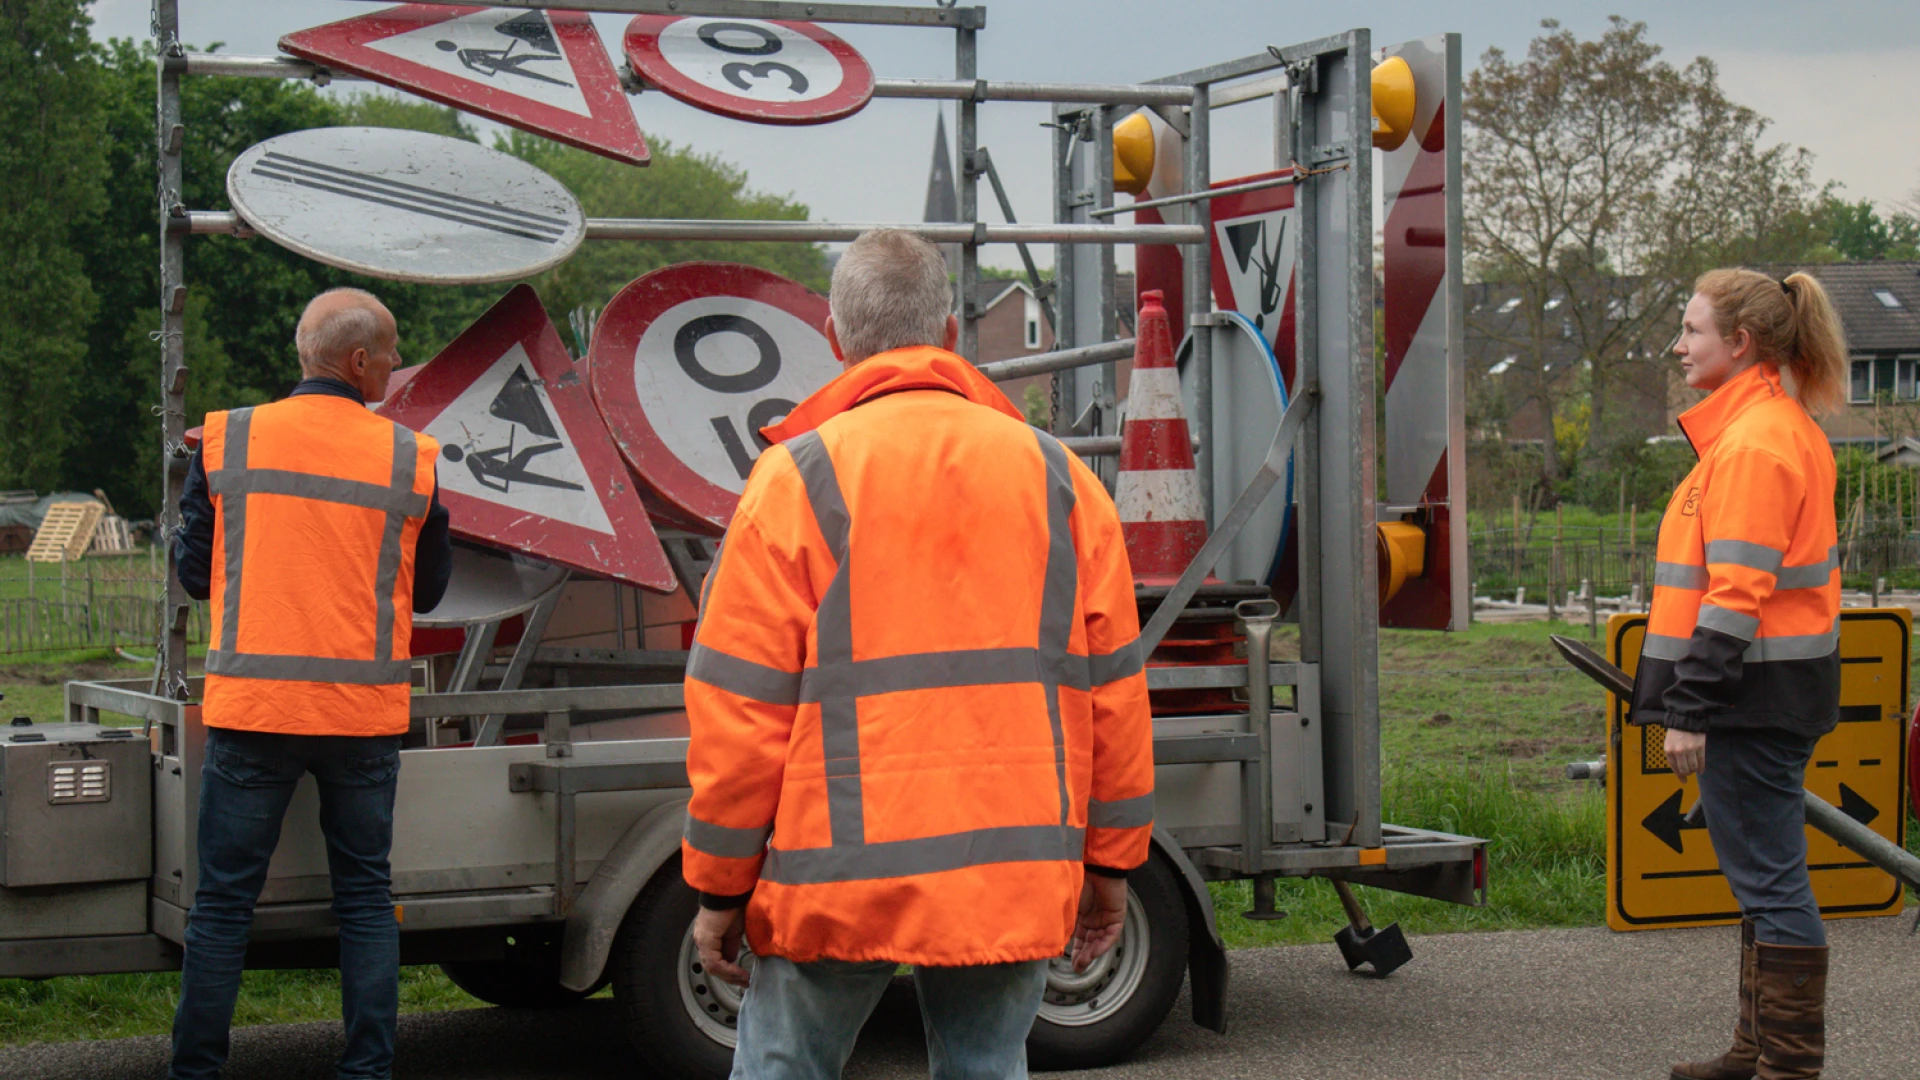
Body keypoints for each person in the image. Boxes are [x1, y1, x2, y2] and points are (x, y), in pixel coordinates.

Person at [681, 229, 1155, 1080]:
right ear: (946, 332)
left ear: (834, 339)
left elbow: (738, 710)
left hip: (837, 872)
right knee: (985, 1064)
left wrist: (721, 885)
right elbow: (1115, 694)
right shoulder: (1061, 480)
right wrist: (1111, 863)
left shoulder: (794, 481)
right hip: (1010, 866)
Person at [169, 288, 452, 1080]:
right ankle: (366, 1072)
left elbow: (194, 574)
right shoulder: (411, 457)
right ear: (359, 361)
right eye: (392, 353)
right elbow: (428, 594)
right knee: (365, 903)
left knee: (223, 908)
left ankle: (194, 1074)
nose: (396, 367)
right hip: (362, 720)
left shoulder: (228, 441)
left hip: (253, 714)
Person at [1632, 269, 1849, 1080]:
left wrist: (1689, 710)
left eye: (1692, 330)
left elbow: (1735, 595)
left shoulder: (1757, 443)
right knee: (1764, 877)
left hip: (1751, 703)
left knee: (1770, 881)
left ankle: (1786, 1067)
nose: (1679, 345)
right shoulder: (1764, 430)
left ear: (1742, 342)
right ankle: (1756, 1051)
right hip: (1766, 696)